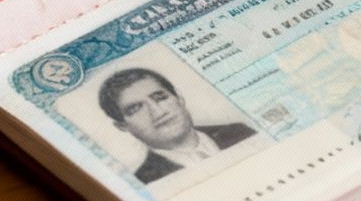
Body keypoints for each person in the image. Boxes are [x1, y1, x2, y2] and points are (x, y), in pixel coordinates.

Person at [95, 67, 257, 183]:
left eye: (160, 97)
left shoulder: (240, 131)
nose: (158, 112)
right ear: (122, 126)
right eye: (136, 109)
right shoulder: (144, 182)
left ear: (179, 99)